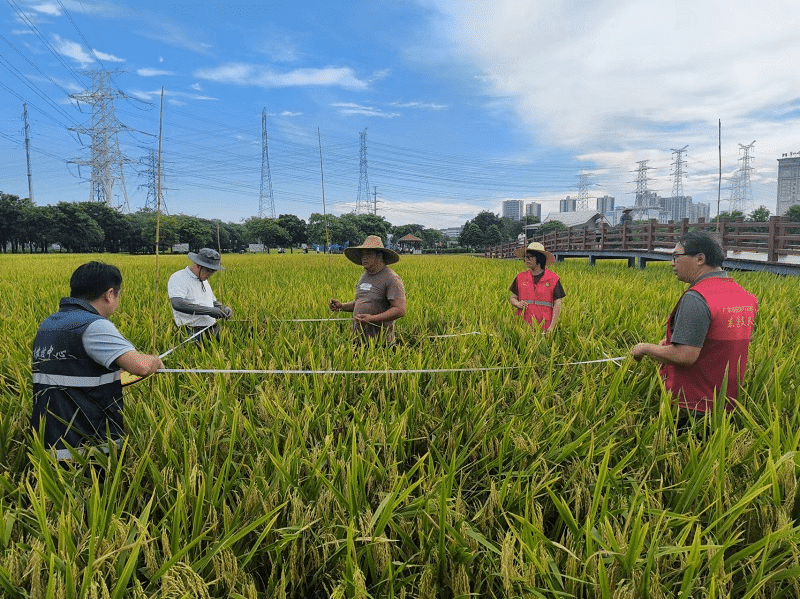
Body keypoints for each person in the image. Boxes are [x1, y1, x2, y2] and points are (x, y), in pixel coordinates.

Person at [31, 262, 164, 461]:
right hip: (87, 447)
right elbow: (141, 366)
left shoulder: (49, 324)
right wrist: (155, 361)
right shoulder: (94, 325)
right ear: (110, 294)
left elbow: (73, 371)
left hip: (48, 442)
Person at [630, 232, 758, 429]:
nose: (672, 263)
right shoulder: (744, 296)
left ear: (700, 259)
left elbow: (685, 355)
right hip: (727, 403)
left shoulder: (697, 297)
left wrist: (645, 348)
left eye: (676, 256)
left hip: (692, 405)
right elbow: (716, 344)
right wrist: (669, 346)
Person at [329, 235, 406, 343]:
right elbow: (362, 302)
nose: (364, 257)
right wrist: (342, 306)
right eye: (363, 254)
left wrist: (372, 319)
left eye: (368, 253)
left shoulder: (392, 279)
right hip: (359, 339)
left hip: (381, 343)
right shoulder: (364, 276)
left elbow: (400, 309)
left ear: (379, 256)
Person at [167, 248, 233, 338]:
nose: (210, 274)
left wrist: (223, 308)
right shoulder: (179, 277)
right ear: (198, 265)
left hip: (212, 328)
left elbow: (212, 302)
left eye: (213, 271)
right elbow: (178, 303)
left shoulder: (204, 280)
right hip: (192, 331)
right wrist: (209, 311)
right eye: (208, 270)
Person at [509, 242, 565, 333]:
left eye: (530, 257)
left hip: (544, 326)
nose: (526, 259)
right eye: (525, 257)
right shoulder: (520, 277)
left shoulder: (553, 279)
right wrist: (517, 303)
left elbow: (557, 303)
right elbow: (513, 298)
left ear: (539, 258)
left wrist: (552, 326)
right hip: (523, 326)